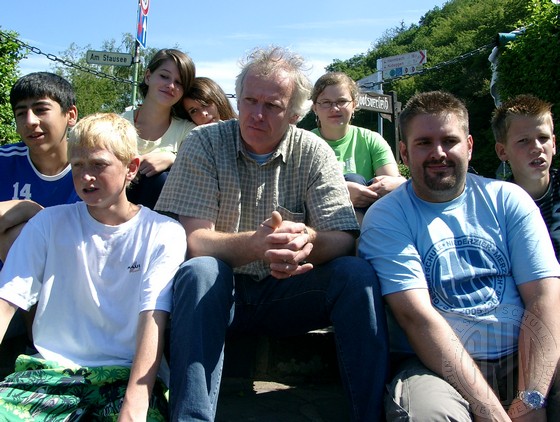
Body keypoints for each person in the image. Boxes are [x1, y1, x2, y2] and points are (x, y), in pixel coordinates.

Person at [156, 46, 388, 421]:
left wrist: (307, 243)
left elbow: (344, 237)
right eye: (249, 100)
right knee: (198, 272)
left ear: (295, 114)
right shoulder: (204, 143)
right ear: (238, 98)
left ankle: (372, 415)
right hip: (222, 292)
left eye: (273, 106)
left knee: (356, 276)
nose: (257, 114)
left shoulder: (314, 150)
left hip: (291, 291)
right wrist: (257, 245)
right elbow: (194, 240)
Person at [359, 90, 560, 421]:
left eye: (449, 141)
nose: (439, 153)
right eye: (424, 143)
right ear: (404, 154)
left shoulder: (508, 200)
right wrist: (489, 411)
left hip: (522, 353)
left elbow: (543, 296)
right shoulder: (387, 217)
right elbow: (416, 316)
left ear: (468, 146)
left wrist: (531, 400)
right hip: (438, 368)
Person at [0, 113, 187, 420]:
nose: (86, 176)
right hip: (49, 372)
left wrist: (136, 402)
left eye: (99, 165)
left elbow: (153, 317)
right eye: (77, 166)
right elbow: (7, 302)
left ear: (131, 168)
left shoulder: (163, 232)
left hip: (123, 376)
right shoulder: (48, 224)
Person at [0, 72, 80, 361]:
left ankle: (39, 345)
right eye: (21, 113)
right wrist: (22, 207)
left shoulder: (89, 168)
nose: (30, 121)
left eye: (41, 109)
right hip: (6, 293)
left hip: (68, 294)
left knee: (22, 234)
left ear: (70, 115)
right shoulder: (5, 160)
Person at [311, 71, 405, 221]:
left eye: (341, 101)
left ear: (354, 105)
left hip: (369, 215)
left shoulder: (371, 139)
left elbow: (390, 184)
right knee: (352, 179)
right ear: (315, 108)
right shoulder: (305, 143)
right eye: (326, 102)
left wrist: (378, 188)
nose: (334, 108)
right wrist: (340, 192)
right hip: (320, 219)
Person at [122, 48, 196, 209]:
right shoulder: (119, 124)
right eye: (164, 76)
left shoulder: (189, 132)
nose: (170, 86)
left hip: (162, 221)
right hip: (114, 215)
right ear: (148, 76)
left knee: (161, 178)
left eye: (179, 82)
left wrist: (172, 159)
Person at [492, 94, 559, 259]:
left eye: (543, 138)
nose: (537, 148)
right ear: (502, 151)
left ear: (554, 144)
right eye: (523, 141)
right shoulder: (497, 208)